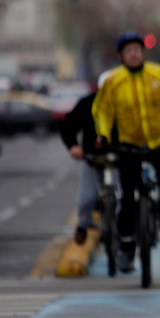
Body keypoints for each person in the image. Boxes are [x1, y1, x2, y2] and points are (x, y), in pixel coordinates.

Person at [92, 31, 160, 272]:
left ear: (143, 52)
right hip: (129, 144)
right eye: (128, 51)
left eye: (137, 50)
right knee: (127, 198)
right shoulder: (113, 81)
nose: (133, 54)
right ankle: (127, 248)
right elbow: (103, 111)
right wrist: (103, 135)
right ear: (121, 56)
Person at [60, 88, 101, 245]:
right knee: (87, 198)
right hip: (91, 157)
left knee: (126, 196)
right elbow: (68, 125)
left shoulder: (125, 102)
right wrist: (73, 146)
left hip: (120, 156)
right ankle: (82, 225)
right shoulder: (87, 103)